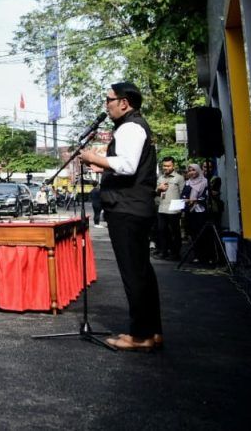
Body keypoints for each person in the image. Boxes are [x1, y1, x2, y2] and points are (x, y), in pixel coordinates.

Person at [79, 81, 162, 352]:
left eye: (109, 100)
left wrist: (94, 156)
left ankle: (140, 336)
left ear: (124, 102)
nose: (107, 105)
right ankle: (152, 331)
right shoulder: (137, 126)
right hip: (136, 207)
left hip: (127, 209)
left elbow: (126, 165)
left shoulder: (129, 126)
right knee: (142, 273)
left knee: (133, 274)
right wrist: (101, 163)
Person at [155, 157, 185, 260]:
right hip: (162, 208)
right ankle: (164, 251)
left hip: (174, 210)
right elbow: (156, 193)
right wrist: (159, 188)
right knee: (162, 230)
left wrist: (181, 210)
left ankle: (175, 253)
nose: (166, 168)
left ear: (173, 166)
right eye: (164, 166)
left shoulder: (179, 178)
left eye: (168, 166)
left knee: (175, 232)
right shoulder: (160, 178)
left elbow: (183, 194)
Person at [182, 163, 211, 264]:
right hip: (191, 212)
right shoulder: (187, 183)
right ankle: (197, 256)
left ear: (198, 170)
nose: (191, 172)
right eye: (189, 170)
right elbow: (183, 195)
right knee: (193, 234)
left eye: (193, 170)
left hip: (201, 211)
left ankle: (207, 256)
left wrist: (195, 200)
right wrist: (186, 200)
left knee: (203, 234)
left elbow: (206, 197)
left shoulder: (205, 182)